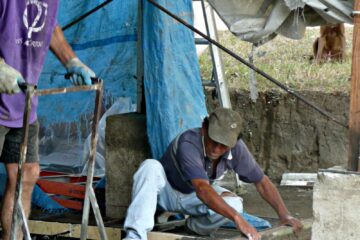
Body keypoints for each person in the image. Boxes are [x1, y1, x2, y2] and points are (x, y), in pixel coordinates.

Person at [123, 108, 303, 240]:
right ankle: (135, 236)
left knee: (235, 203)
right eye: (213, 141)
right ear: (204, 128)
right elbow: (202, 188)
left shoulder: (237, 149)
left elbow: (261, 181)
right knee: (150, 167)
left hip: (194, 197)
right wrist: (237, 219)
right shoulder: (189, 142)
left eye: (224, 145)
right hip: (167, 193)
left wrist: (284, 214)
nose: (217, 149)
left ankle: (195, 228)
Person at [0, 1, 95, 239]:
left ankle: (14, 237)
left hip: (23, 103)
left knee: (27, 173)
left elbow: (50, 27)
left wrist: (72, 61)